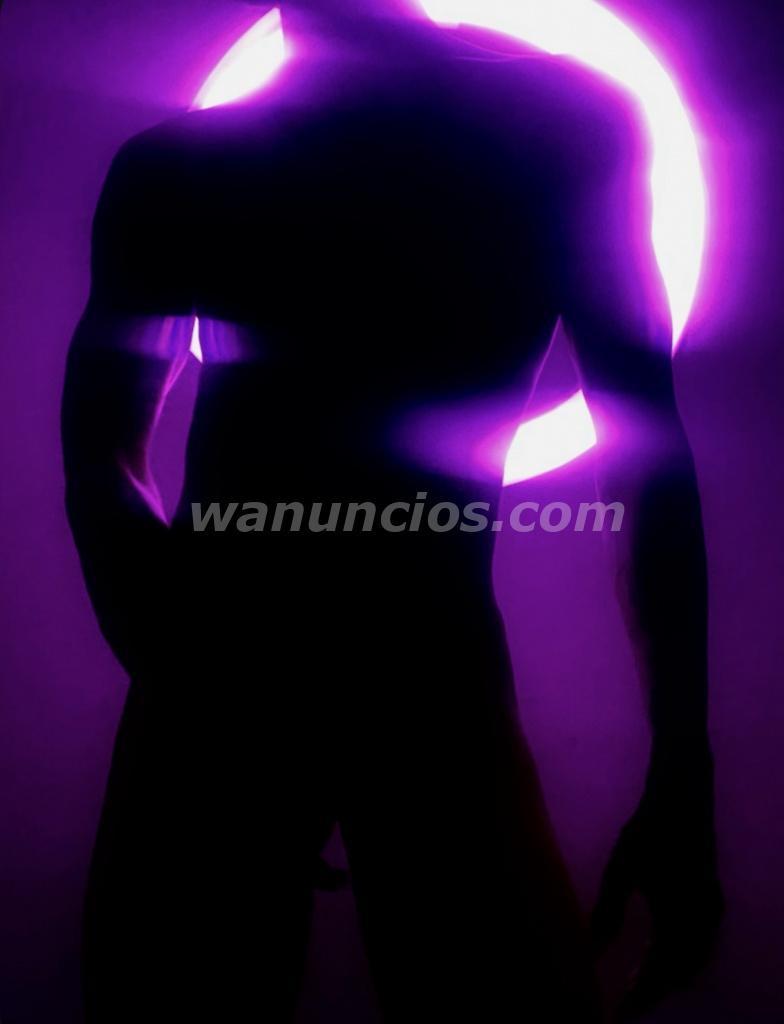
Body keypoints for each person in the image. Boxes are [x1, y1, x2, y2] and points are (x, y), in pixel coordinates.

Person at [61, 0, 724, 1020]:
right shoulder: (553, 127)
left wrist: (182, 675)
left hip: (265, 668)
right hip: (378, 667)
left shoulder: (185, 166)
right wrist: (681, 763)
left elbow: (101, 454)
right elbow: (648, 460)